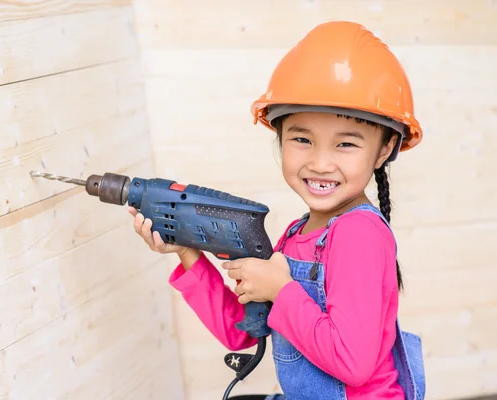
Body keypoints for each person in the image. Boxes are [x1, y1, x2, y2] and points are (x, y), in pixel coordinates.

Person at [128, 21, 426, 400]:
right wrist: (188, 254)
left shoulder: (359, 234)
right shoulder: (296, 234)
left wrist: (281, 290)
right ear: (279, 137)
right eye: (302, 139)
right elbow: (242, 331)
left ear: (384, 150)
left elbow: (354, 363)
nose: (320, 162)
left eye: (346, 145)